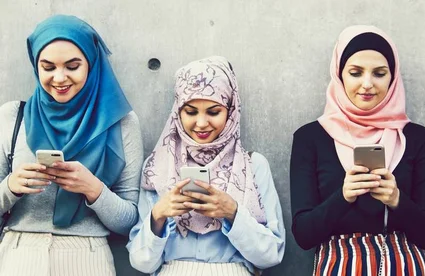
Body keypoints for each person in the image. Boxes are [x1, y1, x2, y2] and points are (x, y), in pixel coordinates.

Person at [290, 25, 425, 275]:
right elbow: (304, 236)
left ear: (393, 78)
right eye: (355, 72)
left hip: (405, 267)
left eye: (379, 73)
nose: (367, 84)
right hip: (340, 266)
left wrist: (396, 199)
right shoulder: (311, 138)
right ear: (340, 75)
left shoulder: (416, 138)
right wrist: (344, 196)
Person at [0, 15, 143, 275]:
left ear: (91, 64)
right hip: (19, 257)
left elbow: (130, 223)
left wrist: (93, 189)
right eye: (48, 67)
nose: (59, 77)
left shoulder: (121, 123)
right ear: (36, 66)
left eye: (72, 66)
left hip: (88, 259)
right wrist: (11, 186)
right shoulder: (12, 117)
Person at [127, 56, 285, 276]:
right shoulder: (157, 167)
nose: (201, 123)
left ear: (231, 112)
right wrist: (159, 215)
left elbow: (271, 255)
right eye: (190, 112)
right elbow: (140, 262)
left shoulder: (253, 165)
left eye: (213, 112)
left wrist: (232, 212)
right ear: (177, 112)